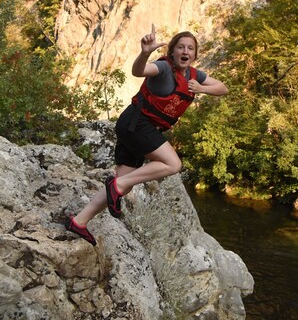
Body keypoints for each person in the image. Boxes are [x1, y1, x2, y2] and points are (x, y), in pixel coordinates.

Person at [65, 24, 228, 245]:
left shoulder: (194, 75)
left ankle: (79, 222)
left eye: (190, 48)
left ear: (195, 54)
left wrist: (202, 88)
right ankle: (117, 186)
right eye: (180, 47)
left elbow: (223, 88)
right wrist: (144, 53)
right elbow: (139, 71)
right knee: (173, 164)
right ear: (172, 51)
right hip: (137, 123)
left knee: (125, 181)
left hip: (140, 127)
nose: (185, 51)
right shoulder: (162, 68)